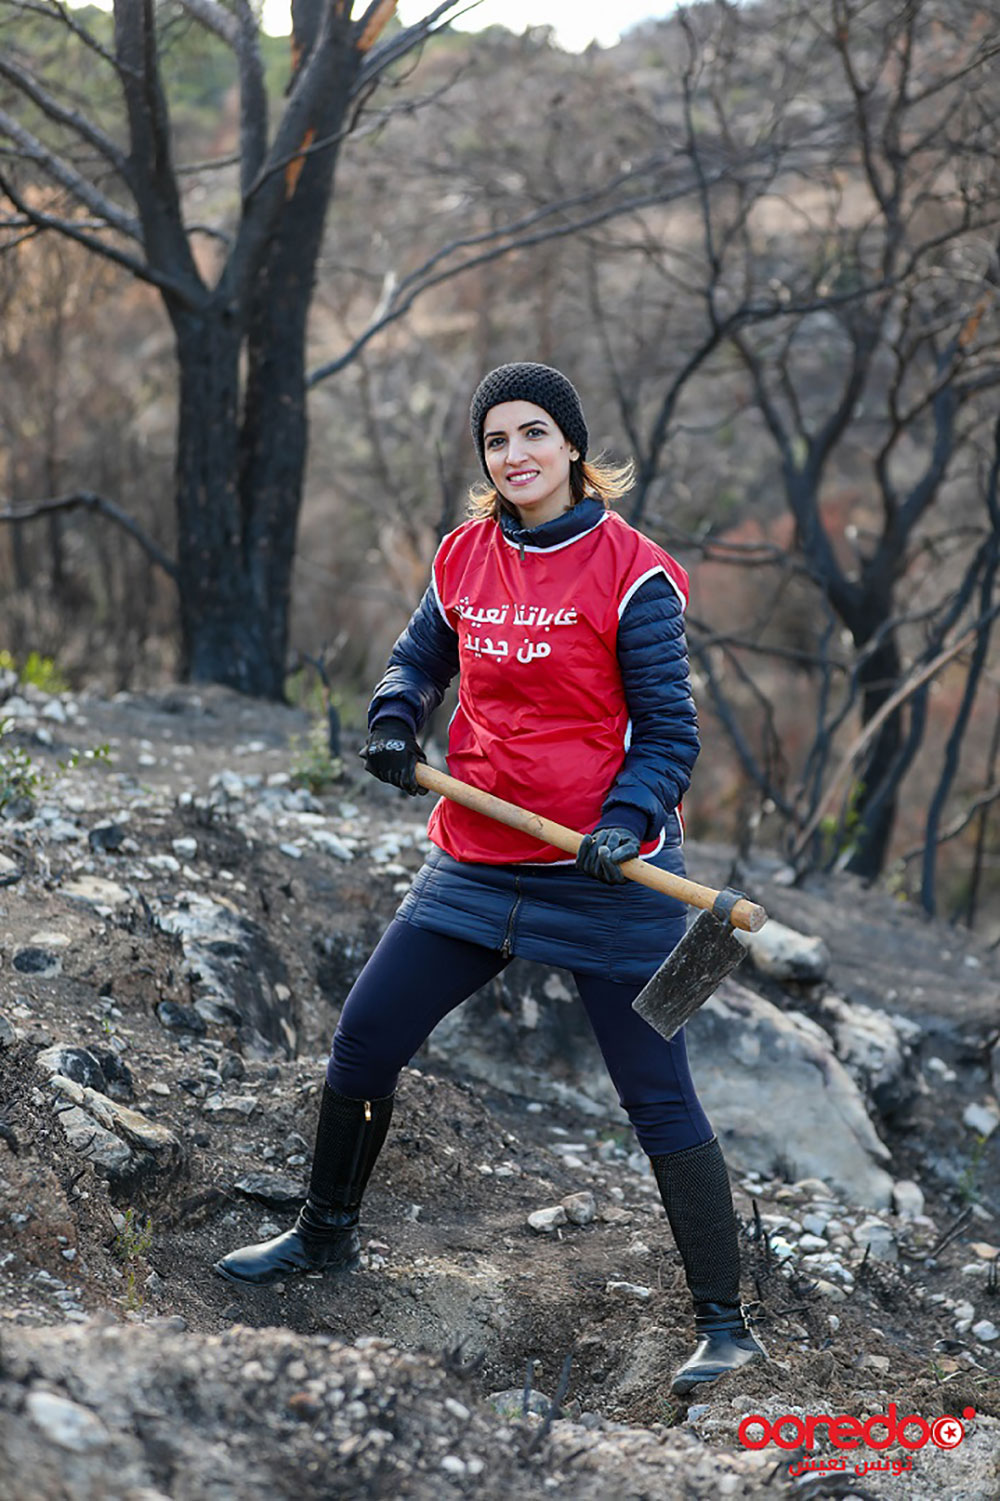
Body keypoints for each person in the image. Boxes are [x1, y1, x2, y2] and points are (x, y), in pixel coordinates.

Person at [215, 362, 766, 1396]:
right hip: (476, 857)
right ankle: (324, 1234)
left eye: (533, 433)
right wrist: (394, 718)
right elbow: (417, 660)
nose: (515, 455)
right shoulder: (464, 555)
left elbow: (669, 732)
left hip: (611, 876)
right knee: (365, 1037)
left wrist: (623, 822)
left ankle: (725, 1325)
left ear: (571, 444)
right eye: (496, 440)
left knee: (657, 1095)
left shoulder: (634, 573)